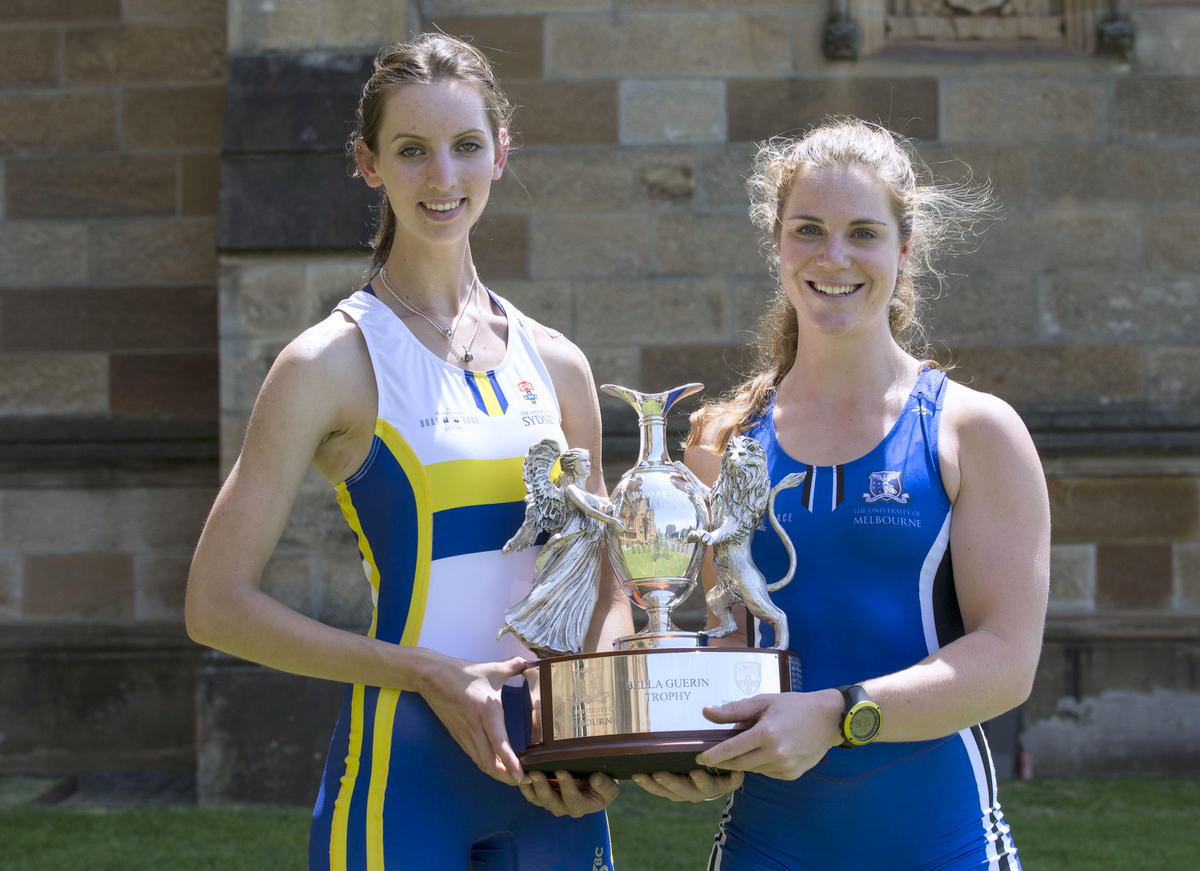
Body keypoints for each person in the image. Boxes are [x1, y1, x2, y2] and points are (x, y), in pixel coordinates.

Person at [185, 34, 629, 871]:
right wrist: (425, 672)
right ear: (368, 162)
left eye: (465, 147)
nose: (443, 177)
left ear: (501, 152)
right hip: (404, 777)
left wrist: (597, 724)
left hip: (555, 783)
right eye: (412, 151)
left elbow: (609, 575)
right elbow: (215, 604)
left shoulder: (559, 363)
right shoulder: (330, 362)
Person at [632, 119, 1050, 871]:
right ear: (778, 246)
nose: (834, 257)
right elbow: (735, 648)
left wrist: (837, 714)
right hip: (768, 846)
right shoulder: (719, 444)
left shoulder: (972, 430)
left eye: (863, 232)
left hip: (946, 846)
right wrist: (694, 743)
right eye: (809, 230)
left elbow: (1007, 661)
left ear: (904, 249)